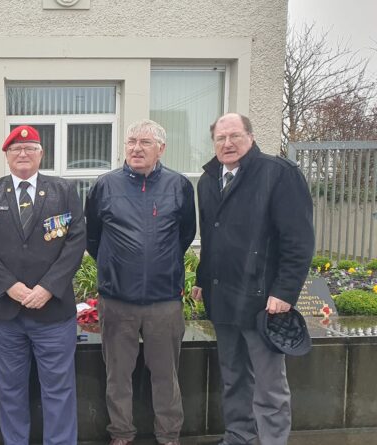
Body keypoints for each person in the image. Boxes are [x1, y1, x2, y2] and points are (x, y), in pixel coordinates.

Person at [191, 113, 314, 445]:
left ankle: (272, 440)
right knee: (233, 378)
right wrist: (202, 278)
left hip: (264, 302)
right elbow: (212, 238)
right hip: (224, 298)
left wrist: (285, 291)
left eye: (235, 136)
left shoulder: (279, 174)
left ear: (250, 136)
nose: (227, 144)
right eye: (220, 138)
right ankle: (238, 436)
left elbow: (298, 240)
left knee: (269, 385)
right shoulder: (207, 180)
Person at [0, 125, 86, 445]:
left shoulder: (64, 191)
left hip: (54, 313)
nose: (23, 154)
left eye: (30, 148)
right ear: (6, 156)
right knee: (10, 390)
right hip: (7, 314)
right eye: (16, 150)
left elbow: (76, 242)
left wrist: (48, 287)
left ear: (41, 154)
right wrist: (9, 286)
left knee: (59, 390)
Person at [85, 119, 195, 445]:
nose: (136, 148)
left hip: (164, 301)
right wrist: (116, 267)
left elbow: (184, 234)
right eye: (131, 141)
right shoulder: (105, 186)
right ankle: (121, 434)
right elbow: (93, 238)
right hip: (117, 300)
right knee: (117, 376)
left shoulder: (179, 186)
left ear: (161, 148)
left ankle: (169, 435)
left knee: (166, 375)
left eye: (145, 142)